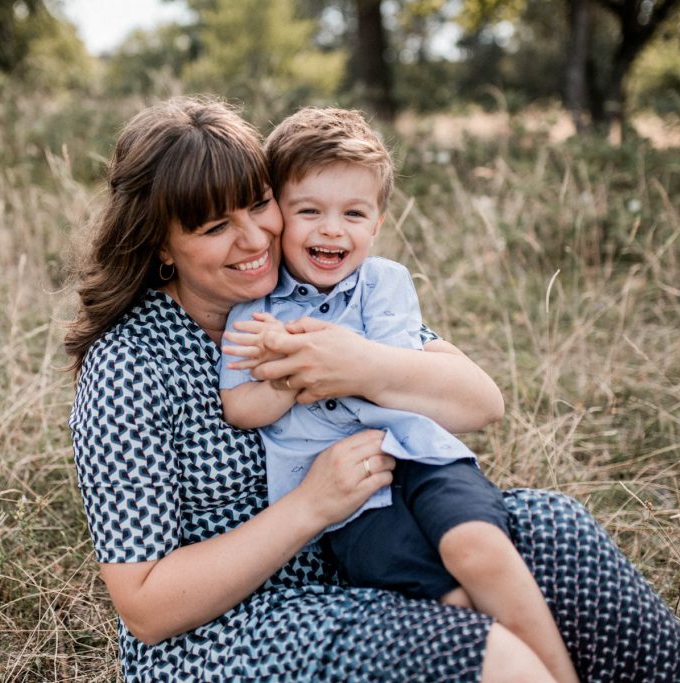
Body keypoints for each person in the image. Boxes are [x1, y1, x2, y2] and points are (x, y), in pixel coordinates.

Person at [66, 95, 680, 682]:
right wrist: (309, 506)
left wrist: (364, 364)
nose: (256, 237)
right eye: (214, 228)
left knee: (558, 532)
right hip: (229, 633)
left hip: (366, 545)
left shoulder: (318, 294)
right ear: (162, 247)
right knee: (488, 655)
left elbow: (480, 402)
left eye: (258, 203)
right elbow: (146, 605)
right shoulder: (130, 366)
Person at [217, 107, 578, 683]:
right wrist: (284, 377)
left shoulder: (385, 283)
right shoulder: (252, 314)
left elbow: (394, 362)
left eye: (353, 213)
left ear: (378, 222)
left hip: (420, 453)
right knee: (449, 597)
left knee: (479, 550)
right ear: (278, 215)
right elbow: (240, 406)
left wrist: (318, 351)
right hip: (348, 503)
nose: (332, 230)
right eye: (309, 211)